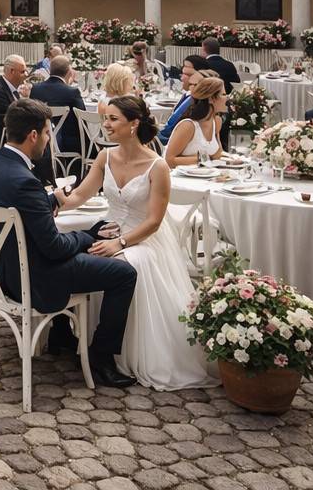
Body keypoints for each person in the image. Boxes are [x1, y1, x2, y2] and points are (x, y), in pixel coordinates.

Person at [0, 98, 137, 388]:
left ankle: (61, 334)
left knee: (75, 248)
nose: (49, 140)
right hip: (31, 281)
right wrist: (89, 234)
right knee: (124, 274)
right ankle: (102, 356)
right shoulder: (26, 181)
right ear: (33, 135)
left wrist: (49, 201)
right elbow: (55, 248)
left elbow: (13, 203)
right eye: (47, 133)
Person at [80, 96, 214, 389]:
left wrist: (121, 243)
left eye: (113, 119)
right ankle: (74, 338)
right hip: (110, 229)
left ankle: (110, 354)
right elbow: (80, 194)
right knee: (77, 251)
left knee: (125, 263)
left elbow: (154, 221)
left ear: (134, 124)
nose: (106, 125)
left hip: (144, 238)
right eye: (105, 119)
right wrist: (53, 202)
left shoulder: (157, 166)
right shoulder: (105, 157)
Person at [27, 54, 87, 168]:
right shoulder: (72, 92)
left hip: (41, 141)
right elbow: (82, 118)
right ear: (69, 72)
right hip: (67, 144)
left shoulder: (36, 89)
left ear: (50, 70)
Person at [162, 75, 226, 168]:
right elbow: (169, 160)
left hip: (208, 174)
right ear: (211, 99)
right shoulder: (188, 126)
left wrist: (236, 159)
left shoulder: (216, 122)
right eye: (223, 94)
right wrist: (205, 158)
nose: (227, 98)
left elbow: (218, 154)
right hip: (182, 176)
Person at [0, 55, 30, 153]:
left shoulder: (12, 89)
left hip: (13, 137)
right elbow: (11, 120)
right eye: (22, 72)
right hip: (3, 143)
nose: (26, 74)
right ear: (12, 71)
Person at [159, 54, 207, 143]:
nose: (182, 77)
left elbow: (169, 130)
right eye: (183, 72)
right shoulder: (188, 96)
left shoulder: (193, 101)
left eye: (188, 74)